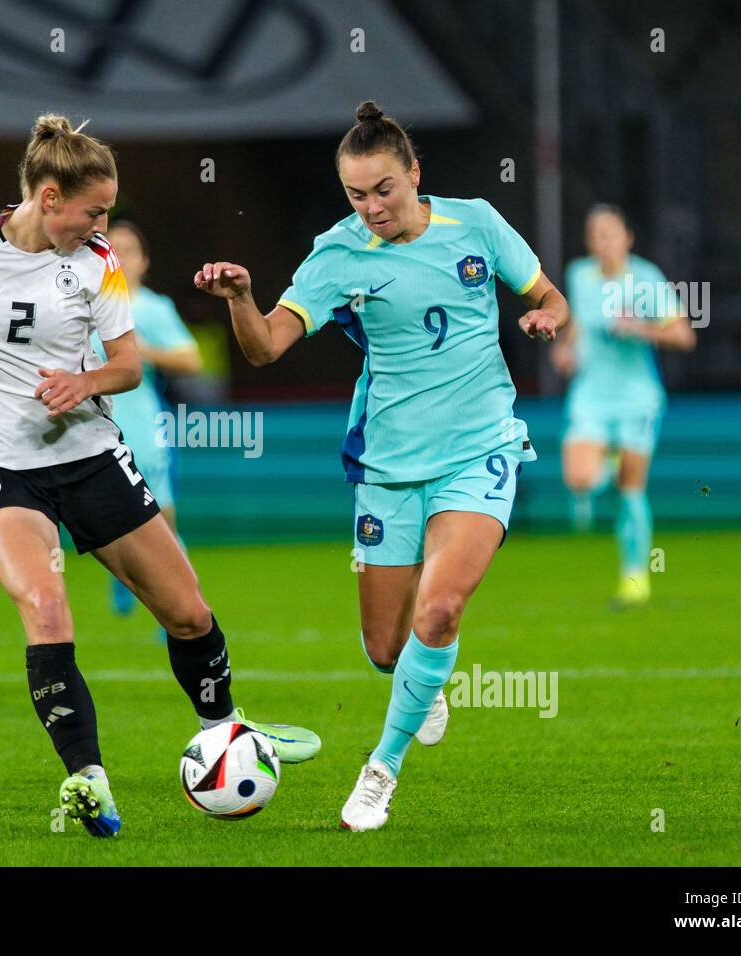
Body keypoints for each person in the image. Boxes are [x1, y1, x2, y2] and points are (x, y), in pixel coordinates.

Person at [0, 114, 320, 838]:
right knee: (46, 606)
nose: (105, 225)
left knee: (188, 612)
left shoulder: (95, 261)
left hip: (89, 456)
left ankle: (226, 728)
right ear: (47, 196)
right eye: (95, 210)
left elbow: (129, 366)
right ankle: (87, 779)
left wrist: (85, 379)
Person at [195, 100, 568, 831]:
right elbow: (266, 346)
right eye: (357, 195)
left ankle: (379, 771)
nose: (372, 207)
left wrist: (548, 314)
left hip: (480, 449)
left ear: (414, 174)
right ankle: (421, 682)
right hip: (389, 464)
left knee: (441, 607)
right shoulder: (337, 254)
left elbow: (547, 291)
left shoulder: (478, 224)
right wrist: (241, 299)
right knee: (384, 648)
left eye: (384, 191)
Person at [552, 204, 696, 606]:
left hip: (637, 398)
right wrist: (565, 350)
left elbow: (684, 336)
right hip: (591, 396)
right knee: (579, 478)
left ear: (628, 238)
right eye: (596, 234)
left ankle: (635, 578)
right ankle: (607, 464)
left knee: (632, 491)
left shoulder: (646, 279)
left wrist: (641, 328)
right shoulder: (580, 276)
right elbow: (578, 325)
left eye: (610, 233)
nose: (604, 241)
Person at [89, 220, 203, 615]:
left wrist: (138, 352)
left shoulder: (152, 309)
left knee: (162, 524)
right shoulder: (83, 304)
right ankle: (124, 577)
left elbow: (192, 359)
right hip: (92, 432)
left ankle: (180, 607)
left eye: (128, 250)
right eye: (112, 248)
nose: (119, 258)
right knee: (103, 520)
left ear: (144, 261)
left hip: (143, 428)